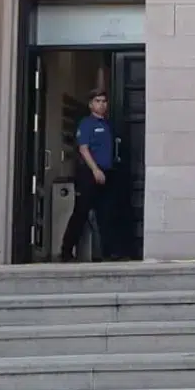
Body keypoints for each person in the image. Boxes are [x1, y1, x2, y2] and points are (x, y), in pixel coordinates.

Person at [60, 89, 122, 262]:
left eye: (104, 101)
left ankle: (108, 252)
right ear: (90, 104)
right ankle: (66, 251)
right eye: (97, 101)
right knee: (81, 212)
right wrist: (95, 169)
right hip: (89, 173)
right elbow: (83, 149)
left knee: (107, 213)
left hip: (107, 173)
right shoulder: (87, 124)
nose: (101, 104)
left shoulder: (109, 125)